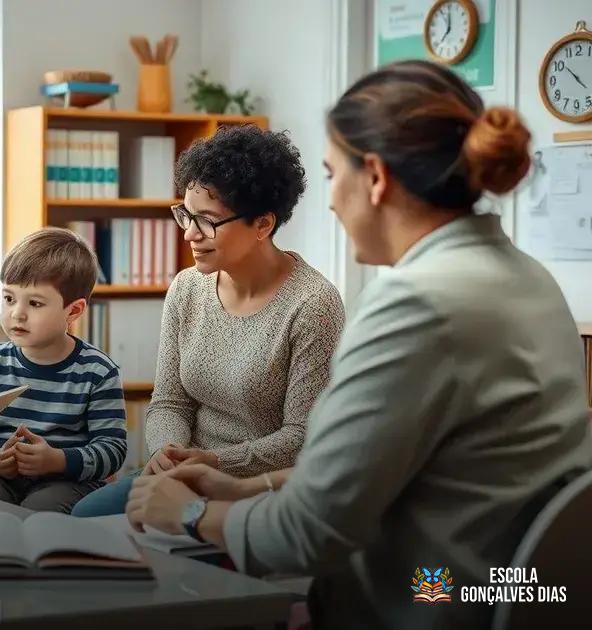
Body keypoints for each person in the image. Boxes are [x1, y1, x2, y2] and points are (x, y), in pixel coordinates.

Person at [126, 60, 592, 629]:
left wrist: (195, 512)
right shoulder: (529, 279)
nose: (329, 201)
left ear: (374, 178)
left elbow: (307, 535)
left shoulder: (415, 306)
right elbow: (388, 468)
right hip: (518, 590)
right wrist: (248, 486)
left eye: (331, 175)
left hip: (434, 595)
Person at [71, 125, 345, 517]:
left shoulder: (313, 305)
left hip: (258, 489)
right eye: (185, 215)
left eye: (207, 221)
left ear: (263, 225)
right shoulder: (187, 288)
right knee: (85, 519)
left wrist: (215, 464)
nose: (188, 234)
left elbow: (302, 438)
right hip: (182, 474)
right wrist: (169, 453)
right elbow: (169, 401)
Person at [0, 228, 127, 512]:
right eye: (9, 298)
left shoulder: (98, 371)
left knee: (42, 506)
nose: (16, 313)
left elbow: (112, 451)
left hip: (66, 481)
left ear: (74, 311)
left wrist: (56, 460)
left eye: (35, 303)